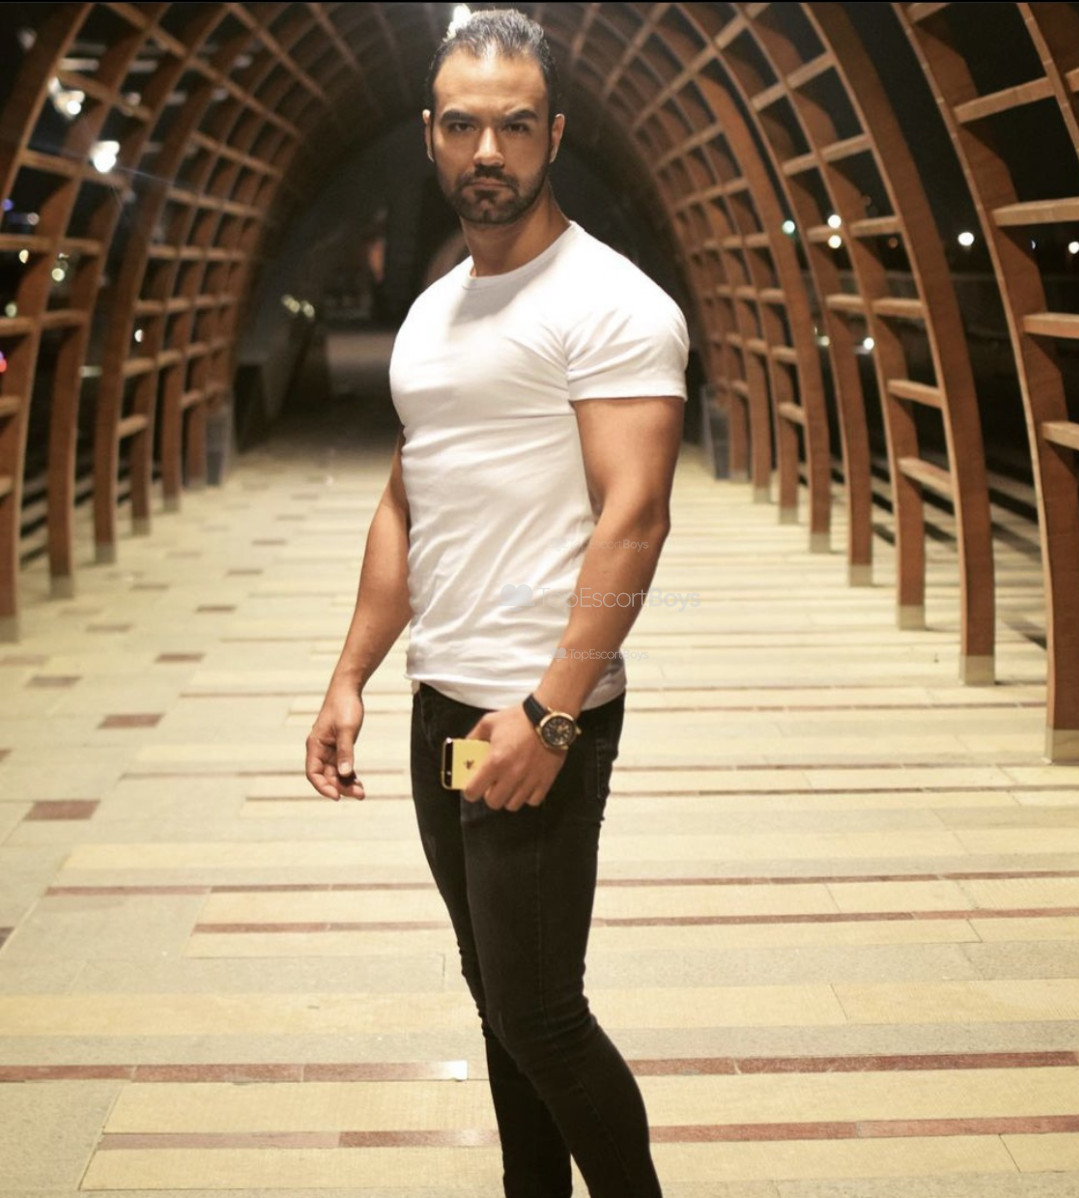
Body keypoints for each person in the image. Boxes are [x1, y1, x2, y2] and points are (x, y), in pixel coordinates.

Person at [305, 10, 688, 1197]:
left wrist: (552, 714)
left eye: (515, 126)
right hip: (445, 714)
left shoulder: (612, 303)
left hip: (535, 716)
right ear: (430, 133)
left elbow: (636, 520)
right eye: (463, 125)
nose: (488, 151)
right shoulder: (436, 311)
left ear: (553, 135)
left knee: (543, 1014)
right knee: (499, 1001)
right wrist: (350, 675)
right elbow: (403, 503)